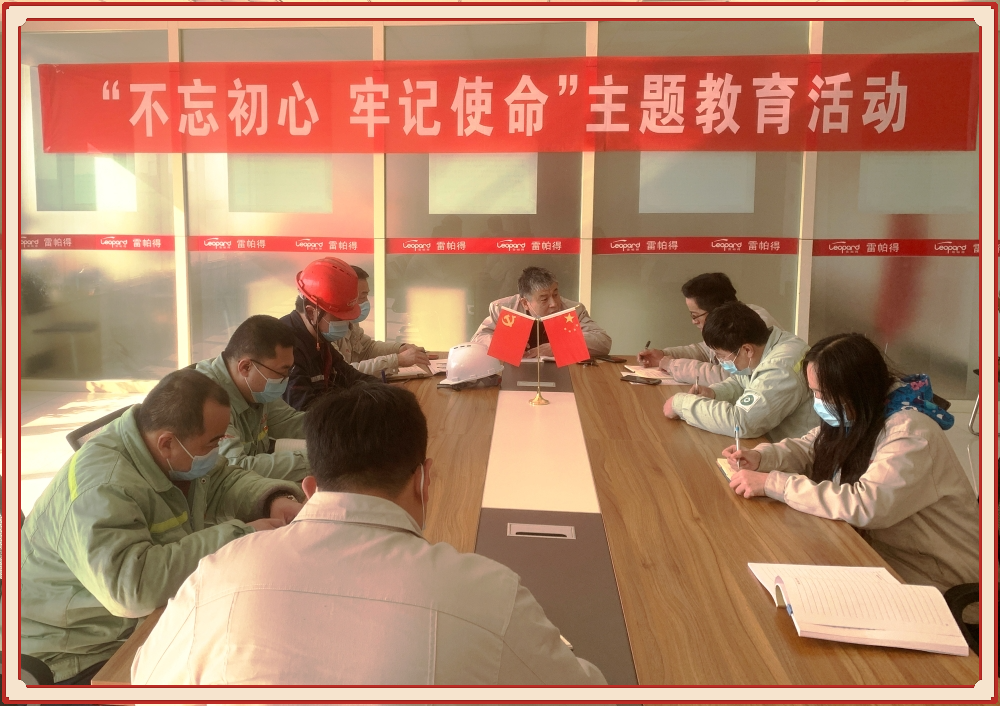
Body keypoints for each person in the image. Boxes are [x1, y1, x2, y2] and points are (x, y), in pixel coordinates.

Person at [131, 384, 607, 686]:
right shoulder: (489, 595)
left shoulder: (217, 575)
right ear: (424, 481)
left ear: (310, 488)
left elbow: (145, 678)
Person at [20, 369, 304, 685]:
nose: (218, 450)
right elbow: (133, 588)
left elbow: (221, 479)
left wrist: (272, 499)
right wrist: (242, 536)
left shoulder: (169, 450)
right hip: (75, 652)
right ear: (167, 442)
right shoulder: (102, 488)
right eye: (213, 442)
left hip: (135, 624)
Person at [723, 333, 979, 593]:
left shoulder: (909, 432)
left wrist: (774, 483)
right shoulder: (859, 411)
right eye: (814, 392)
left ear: (858, 389)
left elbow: (866, 505)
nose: (818, 402)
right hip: (883, 553)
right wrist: (763, 457)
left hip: (938, 579)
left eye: (823, 393)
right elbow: (812, 447)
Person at [663, 301, 818, 441]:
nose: (720, 360)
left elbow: (742, 423)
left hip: (795, 455)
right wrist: (714, 393)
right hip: (769, 443)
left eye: (721, 355)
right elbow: (742, 382)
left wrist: (681, 404)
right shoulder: (767, 344)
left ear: (747, 350)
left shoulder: (781, 368)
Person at [195, 314, 311, 482]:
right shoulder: (206, 399)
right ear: (246, 367)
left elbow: (292, 422)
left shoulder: (256, 389)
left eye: (289, 371)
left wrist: (341, 433)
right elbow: (235, 468)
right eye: (282, 371)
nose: (287, 378)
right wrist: (317, 459)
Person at [637, 272, 783, 384]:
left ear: (715, 310)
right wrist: (665, 354)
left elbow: (731, 377)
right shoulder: (732, 318)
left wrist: (673, 365)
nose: (694, 322)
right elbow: (707, 351)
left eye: (695, 315)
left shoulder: (749, 323)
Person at [279, 257, 378, 411]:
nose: (346, 323)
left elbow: (350, 376)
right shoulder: (285, 347)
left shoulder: (319, 338)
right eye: (339, 317)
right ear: (311, 313)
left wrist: (386, 392)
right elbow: (307, 410)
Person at [472, 266, 611, 358]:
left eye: (555, 294)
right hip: (515, 372)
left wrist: (557, 347)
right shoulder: (504, 309)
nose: (554, 304)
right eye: (544, 299)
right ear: (525, 303)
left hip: (563, 372)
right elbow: (478, 340)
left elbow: (602, 342)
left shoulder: (572, 310)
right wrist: (502, 344)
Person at [332, 264, 430, 376]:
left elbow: (367, 348)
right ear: (344, 298)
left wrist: (400, 348)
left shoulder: (350, 322)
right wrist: (397, 360)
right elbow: (346, 371)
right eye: (363, 297)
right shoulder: (328, 331)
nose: (367, 302)